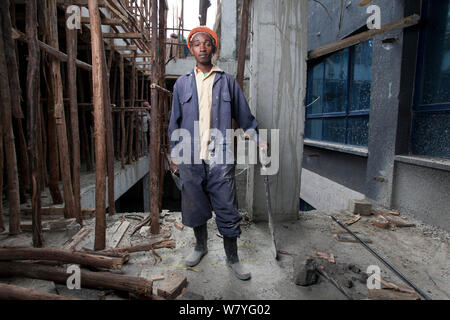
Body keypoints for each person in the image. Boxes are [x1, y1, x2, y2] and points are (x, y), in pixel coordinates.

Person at [168, 26, 267, 281]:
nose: (202, 47)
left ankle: (232, 257)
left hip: (220, 156)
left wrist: (257, 138)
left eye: (207, 43)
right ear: (191, 49)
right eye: (197, 44)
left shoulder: (227, 81)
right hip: (190, 155)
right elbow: (175, 122)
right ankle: (200, 247)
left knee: (227, 207)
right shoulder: (181, 84)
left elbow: (244, 115)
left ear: (214, 48)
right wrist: (175, 154)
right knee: (195, 205)